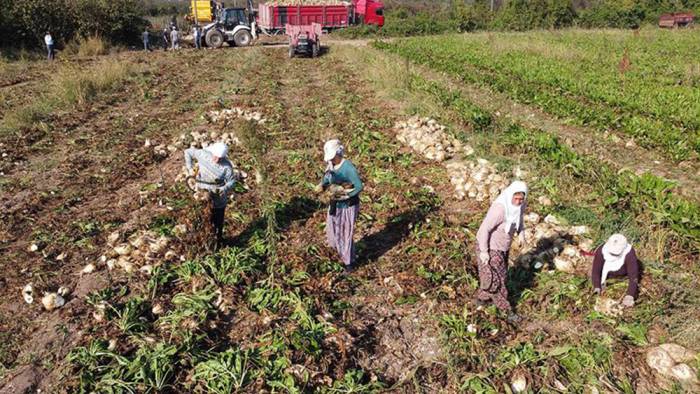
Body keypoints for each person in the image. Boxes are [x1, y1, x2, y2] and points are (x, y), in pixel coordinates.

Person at [475, 181, 528, 322]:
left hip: (503, 247)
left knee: (497, 276)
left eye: (521, 199)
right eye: (515, 199)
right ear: (510, 195)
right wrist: (484, 251)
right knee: (497, 280)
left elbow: (519, 220)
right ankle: (507, 311)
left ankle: (482, 299)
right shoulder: (500, 209)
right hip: (490, 247)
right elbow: (483, 229)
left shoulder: (520, 206)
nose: (518, 202)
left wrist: (521, 234)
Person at [315, 139, 363, 272]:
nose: (331, 160)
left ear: (338, 153)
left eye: (333, 156)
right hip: (335, 203)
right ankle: (340, 256)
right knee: (332, 232)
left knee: (344, 233)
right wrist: (322, 185)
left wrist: (346, 195)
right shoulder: (330, 166)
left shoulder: (348, 168)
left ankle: (348, 264)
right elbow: (327, 178)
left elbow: (358, 186)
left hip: (347, 206)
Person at [184, 142, 236, 247]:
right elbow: (188, 152)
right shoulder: (203, 154)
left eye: (220, 158)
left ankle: (217, 243)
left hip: (218, 197)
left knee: (217, 221)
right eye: (215, 156)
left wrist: (224, 188)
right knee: (201, 218)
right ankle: (200, 242)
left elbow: (232, 181)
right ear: (212, 152)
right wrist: (190, 168)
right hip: (202, 193)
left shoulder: (226, 166)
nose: (217, 160)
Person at [591, 234, 640, 308]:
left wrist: (630, 295)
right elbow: (595, 271)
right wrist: (597, 286)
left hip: (623, 277)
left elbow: (633, 276)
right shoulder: (601, 251)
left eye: (615, 254)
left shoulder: (629, 254)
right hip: (607, 278)